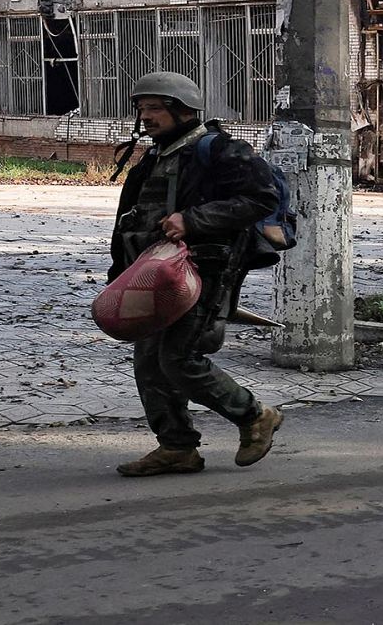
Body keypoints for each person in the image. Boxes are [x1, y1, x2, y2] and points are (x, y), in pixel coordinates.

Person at [108, 71, 285, 476]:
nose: (146, 116)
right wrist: (120, 273)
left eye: (154, 108)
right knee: (149, 362)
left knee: (179, 358)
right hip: (149, 274)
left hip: (201, 272)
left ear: (183, 109)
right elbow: (131, 220)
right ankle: (177, 448)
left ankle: (254, 415)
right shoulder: (156, 155)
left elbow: (261, 198)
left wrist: (194, 219)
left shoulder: (220, 150)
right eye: (141, 109)